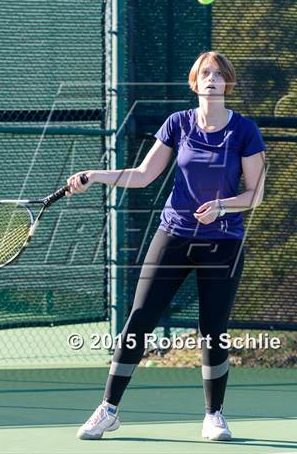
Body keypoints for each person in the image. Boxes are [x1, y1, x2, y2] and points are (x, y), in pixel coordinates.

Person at [66, 50, 267, 441]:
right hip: (173, 235)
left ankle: (214, 415)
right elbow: (143, 175)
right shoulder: (178, 124)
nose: (211, 79)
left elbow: (255, 194)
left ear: (228, 83)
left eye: (218, 74)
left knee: (213, 330)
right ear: (195, 83)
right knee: (139, 317)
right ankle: (108, 409)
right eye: (204, 73)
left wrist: (223, 206)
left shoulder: (244, 130)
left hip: (222, 243)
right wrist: (95, 175)